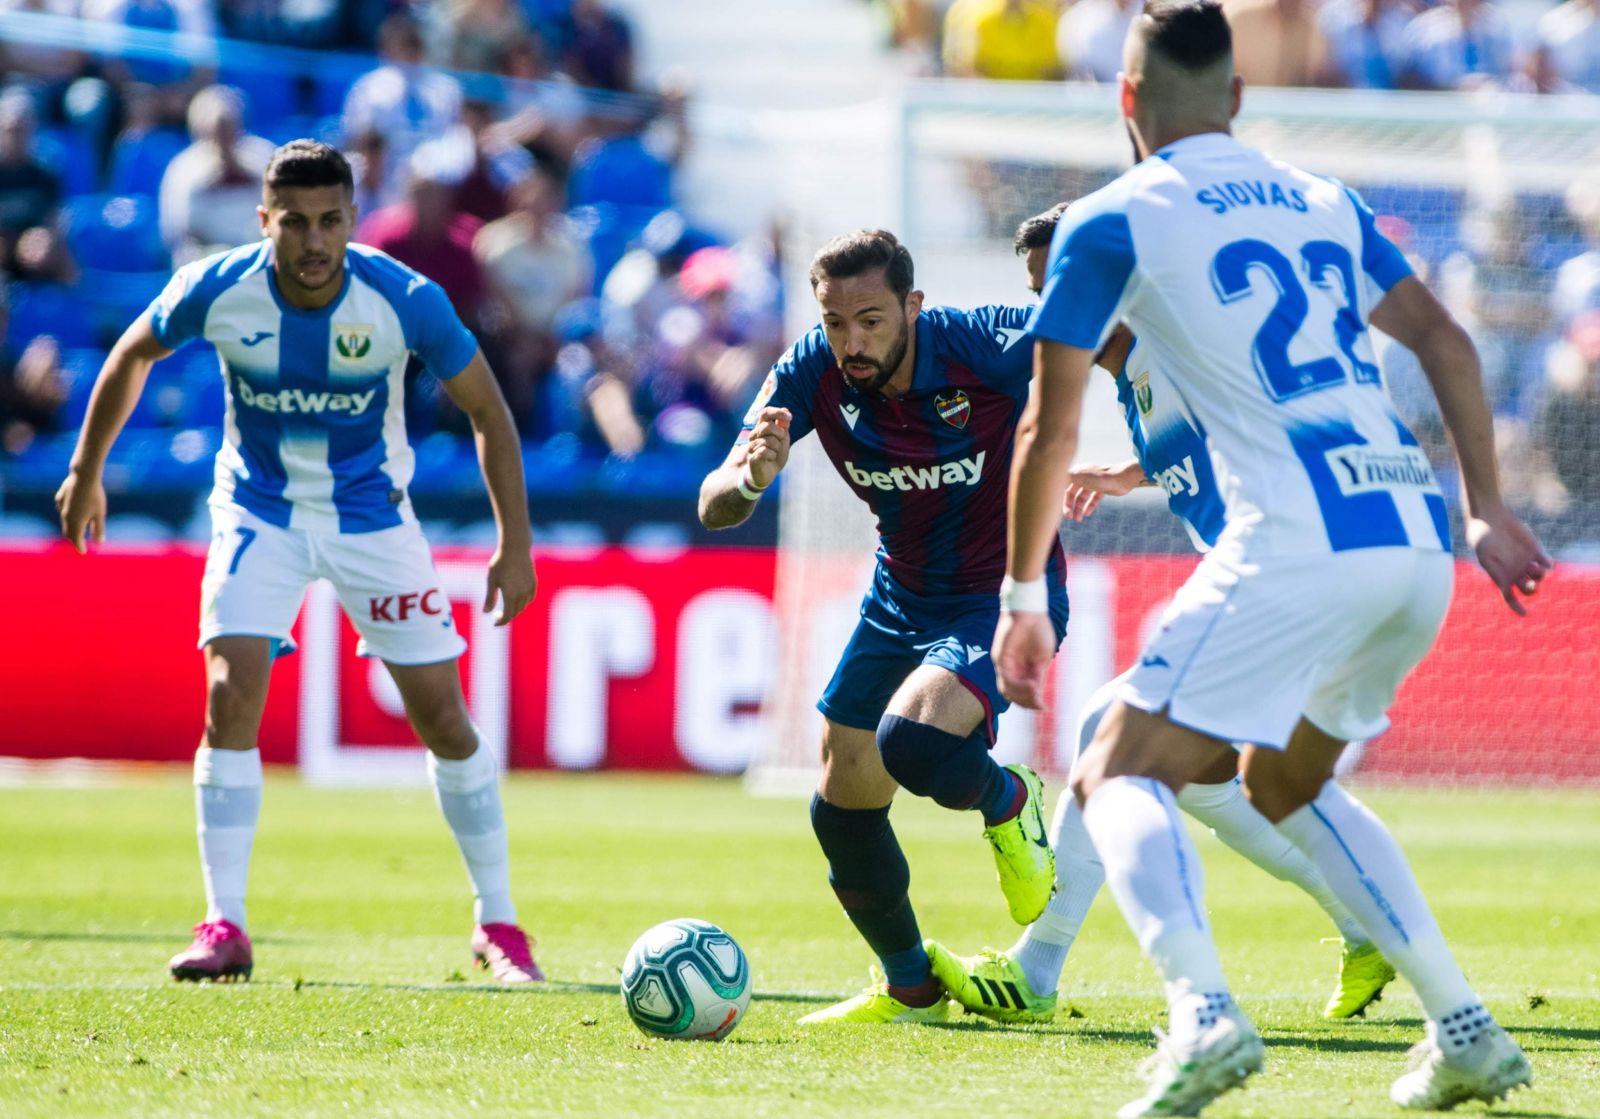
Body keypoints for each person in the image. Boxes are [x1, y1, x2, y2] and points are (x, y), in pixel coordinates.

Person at [996, 3, 1549, 1115]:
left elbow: (1045, 432)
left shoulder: (1112, 217)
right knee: (1283, 782)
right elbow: (1446, 338)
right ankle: (1465, 1029)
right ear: (1239, 98)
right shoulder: (1322, 198)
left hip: (1296, 540)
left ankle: (1202, 1014)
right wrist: (1486, 506)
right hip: (1412, 532)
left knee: (1114, 768)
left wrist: (1021, 596)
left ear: (1125, 99)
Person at [53, 140, 543, 987]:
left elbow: (488, 410)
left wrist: (516, 543)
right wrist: (85, 469)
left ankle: (497, 921)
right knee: (228, 692)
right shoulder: (218, 287)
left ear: (353, 219)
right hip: (259, 512)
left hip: (372, 522)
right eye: (295, 223)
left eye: (330, 221)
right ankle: (225, 923)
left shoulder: (404, 298)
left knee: (443, 718)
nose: (314, 241)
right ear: (264, 221)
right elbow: (132, 352)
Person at [927, 203, 1395, 1027]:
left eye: (1062, 283)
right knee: (1212, 786)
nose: (1051, 308)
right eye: (1039, 293)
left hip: (1284, 574)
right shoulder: (1133, 369)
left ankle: (1035, 969)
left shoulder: (1177, 341)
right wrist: (1130, 472)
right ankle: (1370, 927)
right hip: (1251, 575)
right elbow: (1205, 434)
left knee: (1107, 726)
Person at [697, 229, 1065, 1025]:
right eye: (835, 322)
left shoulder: (980, 344)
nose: (852, 343)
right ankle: (912, 989)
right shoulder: (810, 370)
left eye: (870, 321)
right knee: (841, 807)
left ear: (913, 306)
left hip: (1002, 593)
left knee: (915, 743)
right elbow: (712, 501)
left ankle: (1009, 798)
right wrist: (751, 479)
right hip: (899, 596)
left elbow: (1100, 336)